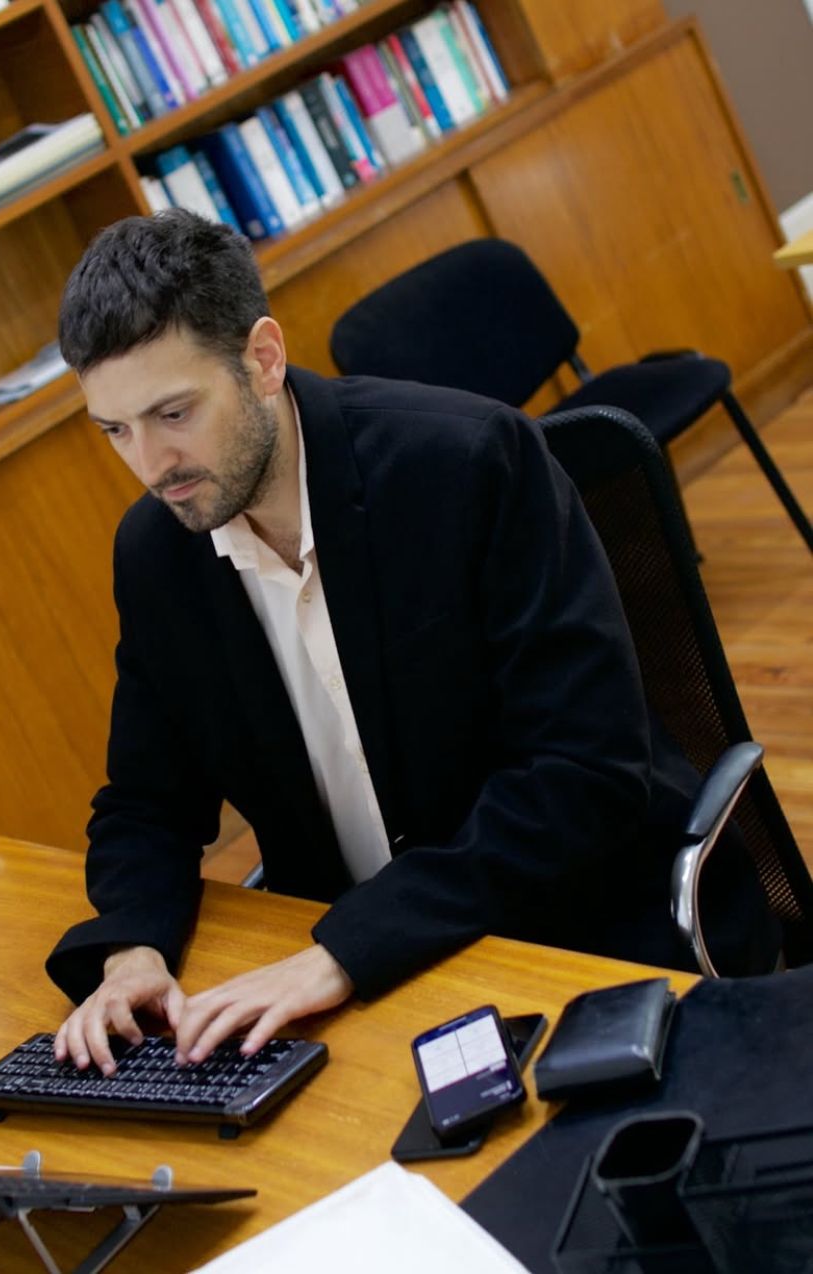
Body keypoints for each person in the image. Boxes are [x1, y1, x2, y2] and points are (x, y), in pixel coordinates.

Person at [46, 210, 777, 1076]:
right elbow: (145, 800)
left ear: (263, 358)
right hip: (365, 980)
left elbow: (582, 773)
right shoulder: (159, 551)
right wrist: (132, 949)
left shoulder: (466, 464)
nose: (151, 463)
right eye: (115, 431)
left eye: (172, 412)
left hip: (569, 929)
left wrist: (343, 952)